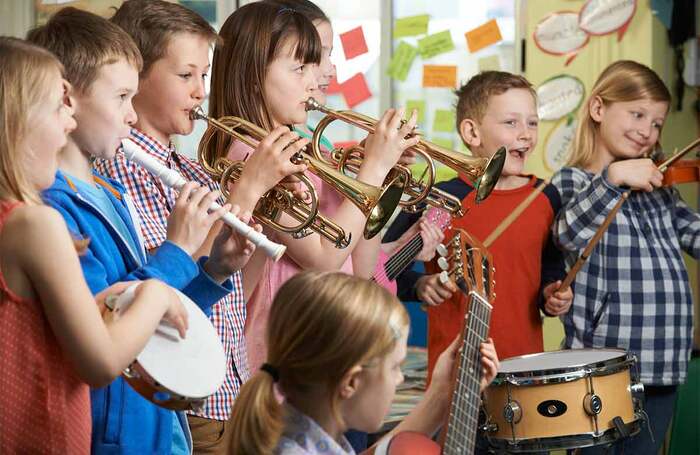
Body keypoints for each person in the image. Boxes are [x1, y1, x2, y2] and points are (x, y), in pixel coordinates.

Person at [27, 8, 260, 453]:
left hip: (158, 428)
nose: (132, 117)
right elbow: (108, 324)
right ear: (68, 99)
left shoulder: (109, 193)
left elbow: (154, 318)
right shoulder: (54, 209)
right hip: (112, 432)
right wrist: (176, 250)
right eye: (121, 98)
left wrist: (212, 273)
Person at [97, 1, 306, 451]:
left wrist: (232, 260)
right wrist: (246, 192)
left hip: (232, 394)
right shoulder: (117, 169)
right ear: (136, 76)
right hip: (183, 408)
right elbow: (155, 290)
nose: (200, 92)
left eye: (204, 77)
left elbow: (231, 299)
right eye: (186, 75)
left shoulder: (196, 174)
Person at [209, 1, 419, 374]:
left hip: (320, 344)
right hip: (281, 357)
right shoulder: (252, 152)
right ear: (255, 74)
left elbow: (359, 268)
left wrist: (375, 180)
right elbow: (324, 258)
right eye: (299, 68)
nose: (314, 79)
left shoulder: (296, 147)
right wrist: (373, 167)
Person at [0, 36, 186, 454]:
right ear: (17, 119)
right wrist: (155, 290)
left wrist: (118, 294)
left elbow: (34, 331)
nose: (69, 123)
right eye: (57, 106)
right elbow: (100, 362)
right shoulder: (33, 223)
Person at [551, 60, 695, 454]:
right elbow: (566, 234)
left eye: (657, 123)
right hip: (601, 368)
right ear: (598, 109)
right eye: (637, 114)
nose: (647, 131)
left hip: (663, 361)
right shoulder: (573, 181)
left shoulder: (661, 191)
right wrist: (614, 179)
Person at [384, 71, 571, 373]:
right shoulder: (439, 198)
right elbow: (383, 264)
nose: (526, 133)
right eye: (511, 122)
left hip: (524, 369)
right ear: (472, 133)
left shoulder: (546, 196)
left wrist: (552, 292)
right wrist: (418, 285)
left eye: (532, 122)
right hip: (454, 370)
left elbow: (550, 266)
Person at [229, 271, 500, 454]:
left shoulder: (300, 434)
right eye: (395, 366)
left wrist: (443, 392)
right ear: (351, 382)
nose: (401, 378)